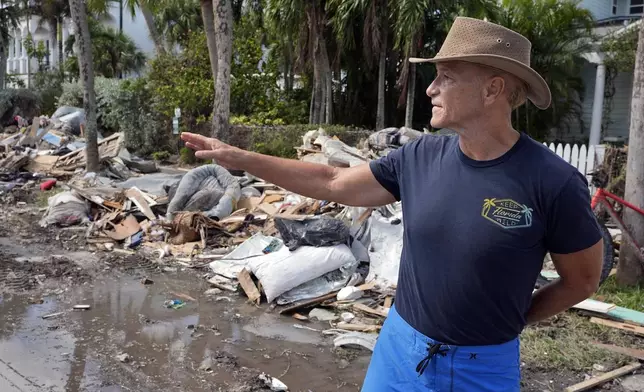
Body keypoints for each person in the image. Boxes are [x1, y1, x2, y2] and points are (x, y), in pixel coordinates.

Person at [181, 16, 603, 392]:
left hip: (483, 370)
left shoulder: (552, 182)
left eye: (447, 77)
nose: (431, 88)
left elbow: (582, 280)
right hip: (399, 351)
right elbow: (333, 180)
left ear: (493, 89)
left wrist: (512, 321)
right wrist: (241, 158)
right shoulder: (420, 158)